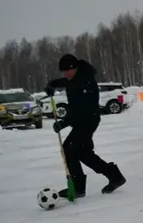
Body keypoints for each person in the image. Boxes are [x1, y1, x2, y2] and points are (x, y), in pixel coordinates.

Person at [45, 53, 126, 197]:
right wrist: (52, 84)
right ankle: (115, 176)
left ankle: (77, 187)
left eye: (68, 71)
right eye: (64, 72)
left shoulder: (86, 82)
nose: (66, 74)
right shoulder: (75, 78)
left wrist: (63, 123)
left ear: (75, 68)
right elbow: (65, 82)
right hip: (82, 121)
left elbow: (82, 109)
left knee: (69, 148)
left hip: (88, 120)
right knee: (84, 153)